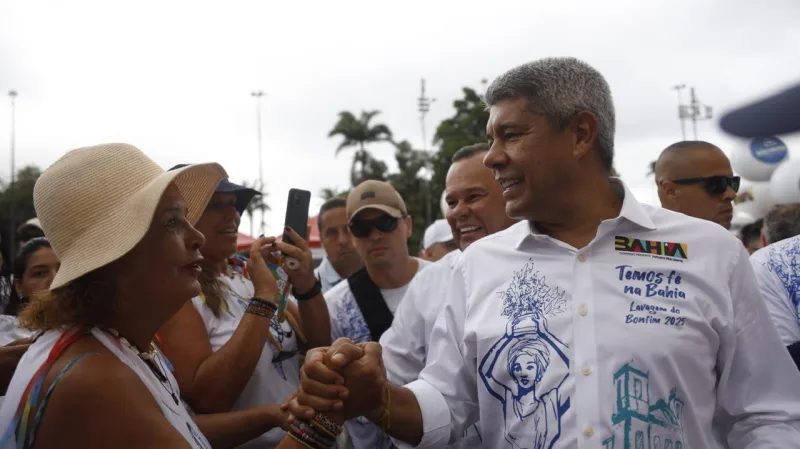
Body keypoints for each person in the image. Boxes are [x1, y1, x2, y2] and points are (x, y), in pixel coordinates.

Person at [290, 57, 800, 448]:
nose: (492, 158)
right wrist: (378, 399)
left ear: (580, 134)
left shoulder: (710, 253)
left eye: (510, 134)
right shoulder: (474, 269)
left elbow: (768, 413)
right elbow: (447, 401)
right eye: (491, 139)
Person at [0, 142, 310, 449]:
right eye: (172, 222)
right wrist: (323, 419)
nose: (197, 236)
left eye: (188, 217)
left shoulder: (119, 345)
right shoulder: (96, 378)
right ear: (116, 256)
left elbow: (185, 431)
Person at [157, 166, 329, 448]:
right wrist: (263, 297)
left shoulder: (249, 274)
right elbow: (209, 399)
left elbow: (319, 345)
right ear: (182, 219)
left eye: (234, 205)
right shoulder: (181, 291)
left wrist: (306, 282)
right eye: (216, 205)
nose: (233, 214)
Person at [379, 143, 518, 448]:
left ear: (510, 194)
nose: (458, 212)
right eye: (452, 201)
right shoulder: (430, 282)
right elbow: (393, 368)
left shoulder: (551, 266)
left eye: (474, 197)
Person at [323, 179, 430, 449]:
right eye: (362, 228)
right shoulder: (334, 306)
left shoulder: (444, 281)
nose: (375, 234)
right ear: (351, 235)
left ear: (407, 225)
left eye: (385, 222)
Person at [654, 141, 738, 229]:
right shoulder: (647, 241)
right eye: (717, 183)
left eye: (732, 183)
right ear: (671, 191)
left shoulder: (732, 242)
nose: (731, 194)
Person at [315, 197, 362, 293]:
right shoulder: (307, 289)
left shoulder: (383, 276)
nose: (342, 240)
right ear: (321, 240)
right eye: (332, 233)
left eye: (348, 229)